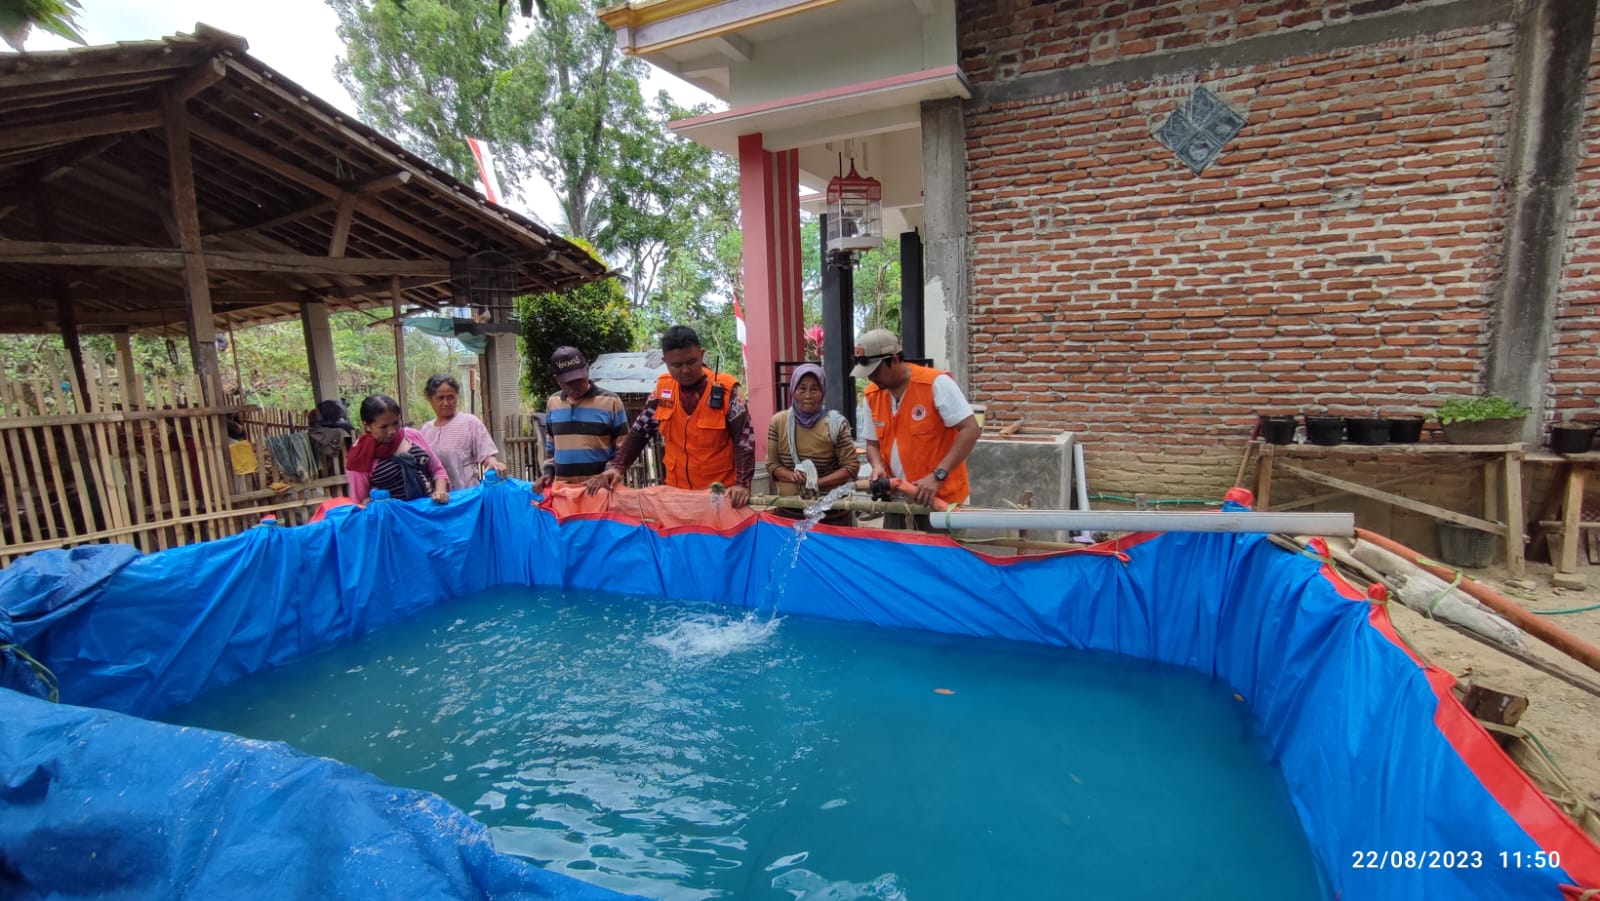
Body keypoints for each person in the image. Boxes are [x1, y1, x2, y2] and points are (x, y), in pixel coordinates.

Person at [587, 325, 754, 507]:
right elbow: (639, 432)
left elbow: (744, 440)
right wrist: (617, 466)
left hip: (719, 495)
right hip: (677, 493)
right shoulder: (662, 390)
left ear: (702, 354)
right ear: (664, 361)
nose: (685, 370)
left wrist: (742, 484)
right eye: (676, 365)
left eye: (691, 362)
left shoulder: (728, 390)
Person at [852, 329, 980, 530]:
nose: (871, 379)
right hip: (897, 501)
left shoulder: (935, 384)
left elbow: (970, 430)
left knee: (940, 559)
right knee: (898, 559)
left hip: (941, 500)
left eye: (875, 372)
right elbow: (872, 443)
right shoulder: (872, 395)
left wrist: (938, 476)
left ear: (893, 360)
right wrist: (877, 466)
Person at [767, 363, 858, 526]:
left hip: (830, 513)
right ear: (793, 390)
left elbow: (851, 467)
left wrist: (817, 482)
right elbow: (772, 464)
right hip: (789, 510)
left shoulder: (836, 424)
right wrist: (791, 476)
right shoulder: (778, 422)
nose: (808, 395)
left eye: (814, 389)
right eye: (802, 388)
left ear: (822, 392)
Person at [537, 346, 629, 490]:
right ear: (557, 380)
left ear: (587, 370)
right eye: (568, 383)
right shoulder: (553, 402)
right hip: (564, 492)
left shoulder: (611, 401)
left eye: (579, 380)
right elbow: (551, 445)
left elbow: (623, 447)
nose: (575, 386)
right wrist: (548, 473)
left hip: (600, 492)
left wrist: (607, 474)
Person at [346, 394, 450, 505]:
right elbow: (360, 503)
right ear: (367, 426)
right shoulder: (359, 457)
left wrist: (440, 490)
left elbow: (437, 470)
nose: (392, 431)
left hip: (428, 511)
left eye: (396, 423)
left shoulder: (412, 436)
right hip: (393, 519)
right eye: (384, 427)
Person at [418, 374, 506, 491]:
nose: (446, 403)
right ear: (430, 399)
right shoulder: (425, 430)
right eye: (440, 398)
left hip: (468, 496)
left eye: (451, 397)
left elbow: (486, 455)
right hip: (439, 499)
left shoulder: (470, 422)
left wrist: (494, 463)